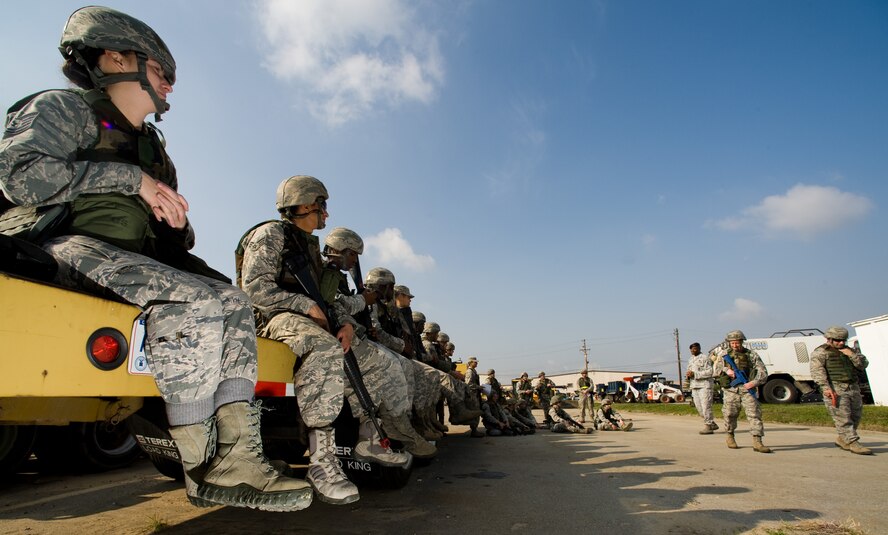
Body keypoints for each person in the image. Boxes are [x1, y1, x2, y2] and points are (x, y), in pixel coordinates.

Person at [0, 6, 309, 512]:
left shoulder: (154, 151)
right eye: (163, 73)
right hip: (64, 244)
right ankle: (199, 461)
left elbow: (174, 239)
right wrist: (130, 181)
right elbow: (20, 177)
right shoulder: (65, 109)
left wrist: (175, 223)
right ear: (118, 58)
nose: (170, 88)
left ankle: (235, 459)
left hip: (130, 258)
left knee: (230, 301)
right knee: (194, 303)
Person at [238, 175, 411, 505]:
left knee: (375, 358)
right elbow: (255, 290)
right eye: (322, 206)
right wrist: (306, 306)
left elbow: (328, 301)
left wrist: (344, 323)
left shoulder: (309, 249)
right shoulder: (271, 235)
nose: (326, 215)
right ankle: (322, 463)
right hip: (273, 319)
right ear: (304, 204)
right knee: (326, 347)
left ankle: (370, 438)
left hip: (311, 321)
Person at [810, 326, 872, 455]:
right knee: (843, 418)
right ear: (829, 339)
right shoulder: (821, 352)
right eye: (838, 340)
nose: (841, 343)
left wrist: (852, 355)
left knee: (856, 416)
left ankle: (843, 439)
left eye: (843, 340)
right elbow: (817, 372)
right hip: (835, 388)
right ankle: (853, 443)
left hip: (853, 387)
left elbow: (863, 364)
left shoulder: (850, 351)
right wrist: (825, 388)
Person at [712, 330, 771, 453]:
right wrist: (726, 370)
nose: (735, 346)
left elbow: (763, 372)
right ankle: (730, 435)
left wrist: (753, 383)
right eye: (732, 343)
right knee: (729, 414)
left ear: (742, 342)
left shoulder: (751, 355)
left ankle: (757, 441)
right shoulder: (724, 355)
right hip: (731, 390)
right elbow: (715, 371)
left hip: (748, 389)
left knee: (754, 414)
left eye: (737, 343)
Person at [686, 342, 718, 434]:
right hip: (694, 385)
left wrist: (695, 374)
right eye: (691, 349)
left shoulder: (705, 358)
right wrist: (688, 375)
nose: (693, 350)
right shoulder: (691, 360)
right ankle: (712, 423)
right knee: (699, 408)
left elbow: (710, 371)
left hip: (705, 385)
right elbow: (690, 370)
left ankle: (708, 425)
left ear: (699, 348)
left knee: (706, 407)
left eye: (695, 348)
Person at [464, 357, 486, 438]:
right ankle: (474, 430)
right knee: (475, 412)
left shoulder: (474, 371)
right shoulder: (469, 372)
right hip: (472, 395)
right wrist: (478, 387)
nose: (476, 363)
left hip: (475, 394)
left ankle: (474, 430)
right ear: (470, 363)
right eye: (475, 362)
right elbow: (468, 384)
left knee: (476, 412)